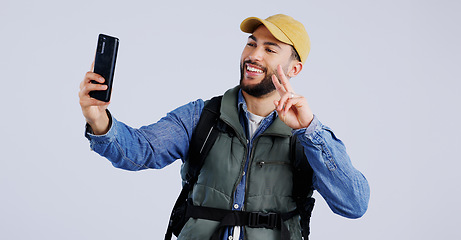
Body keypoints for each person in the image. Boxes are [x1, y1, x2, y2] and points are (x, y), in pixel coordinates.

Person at [79, 14, 370, 240]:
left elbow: (354, 204)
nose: (254, 55)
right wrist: (98, 118)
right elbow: (141, 151)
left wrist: (310, 130)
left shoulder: (308, 138)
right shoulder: (201, 116)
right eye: (252, 43)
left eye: (270, 49)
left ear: (294, 69)